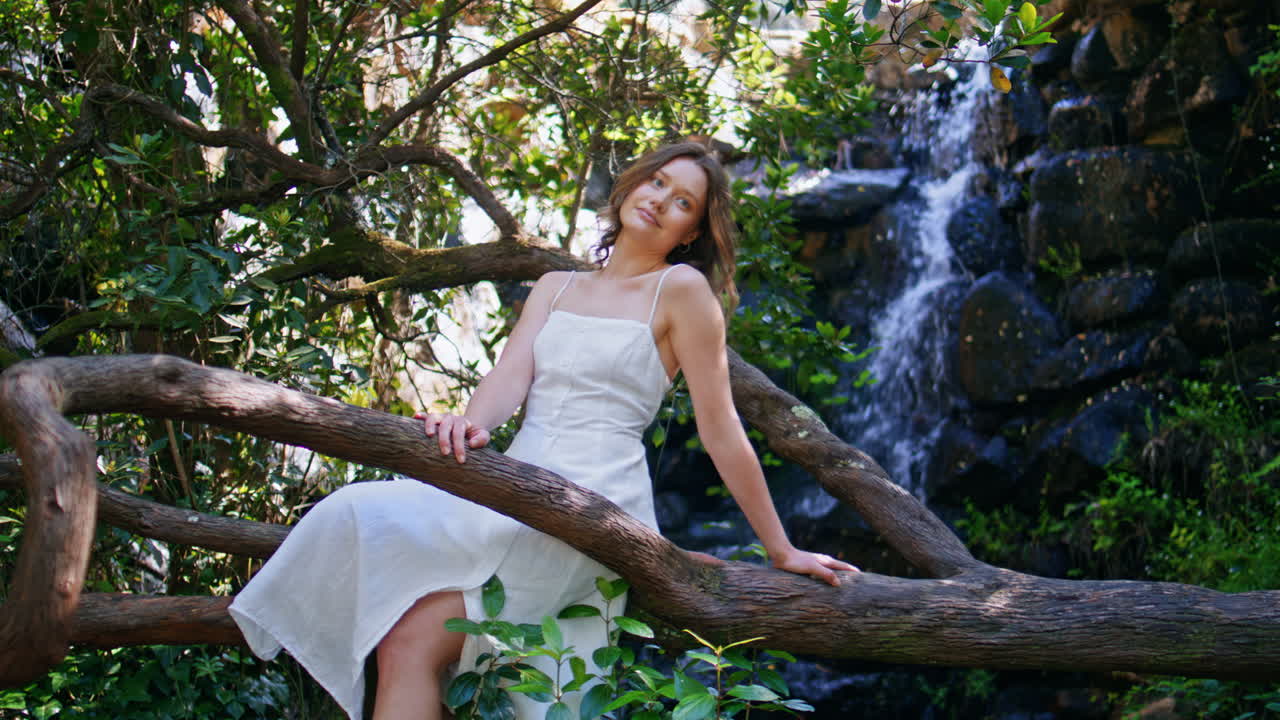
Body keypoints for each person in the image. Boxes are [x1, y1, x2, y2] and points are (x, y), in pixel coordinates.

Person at [229, 141, 857, 720]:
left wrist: (782, 549)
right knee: (359, 513)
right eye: (657, 182)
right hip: (513, 484)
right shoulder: (555, 287)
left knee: (416, 637)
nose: (661, 201)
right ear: (631, 184)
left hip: (592, 504)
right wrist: (464, 425)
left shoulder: (682, 291)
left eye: (683, 201)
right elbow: (509, 380)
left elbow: (721, 431)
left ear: (692, 231)